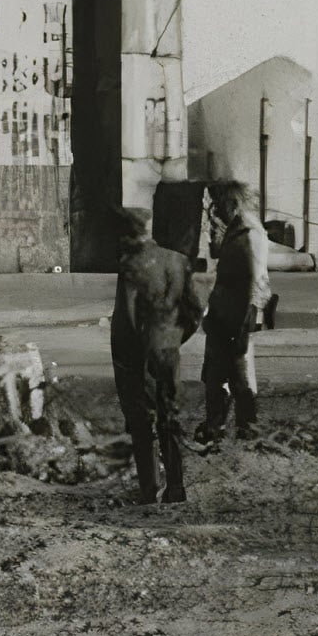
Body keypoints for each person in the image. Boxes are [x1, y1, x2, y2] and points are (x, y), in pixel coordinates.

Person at [108, 205, 202, 504]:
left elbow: (129, 319)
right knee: (170, 417)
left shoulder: (131, 266)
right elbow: (195, 312)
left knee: (141, 422)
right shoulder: (177, 261)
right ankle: (176, 487)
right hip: (168, 350)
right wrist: (173, 340)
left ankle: (149, 490)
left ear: (127, 235)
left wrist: (126, 361)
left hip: (137, 356)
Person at [196, 180, 270, 443]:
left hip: (235, 317)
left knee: (236, 377)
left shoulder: (248, 234)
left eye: (218, 206)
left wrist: (245, 323)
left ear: (232, 203)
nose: (215, 212)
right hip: (226, 316)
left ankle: (243, 428)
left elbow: (254, 282)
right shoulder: (239, 230)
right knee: (219, 375)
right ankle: (222, 426)